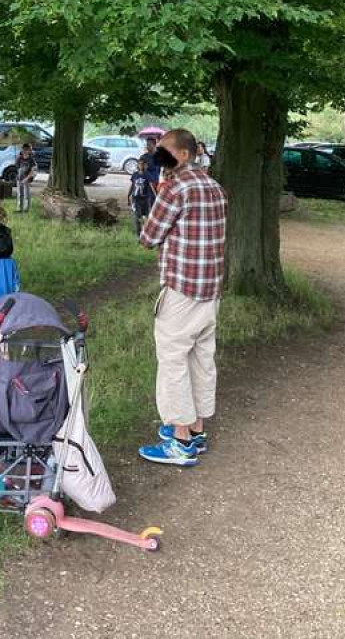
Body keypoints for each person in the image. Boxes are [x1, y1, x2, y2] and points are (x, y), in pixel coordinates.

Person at [137, 129, 228, 467]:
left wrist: (159, 192)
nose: (159, 157)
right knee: (201, 359)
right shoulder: (214, 186)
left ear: (184, 154)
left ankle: (180, 442)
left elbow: (148, 238)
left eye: (164, 152)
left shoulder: (175, 188)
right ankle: (196, 429)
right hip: (210, 291)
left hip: (182, 290)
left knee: (173, 360)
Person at [128, 156, 157, 236]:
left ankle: (148, 233)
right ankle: (138, 234)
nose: (141, 166)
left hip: (145, 199)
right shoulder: (134, 175)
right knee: (137, 217)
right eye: (139, 164)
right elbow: (132, 186)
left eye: (143, 164)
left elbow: (151, 186)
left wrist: (156, 196)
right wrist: (129, 195)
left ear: (146, 166)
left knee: (147, 216)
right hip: (136, 199)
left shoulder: (147, 175)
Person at [15, 143, 37, 212]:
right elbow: (18, 168)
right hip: (19, 179)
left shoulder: (31, 160)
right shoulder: (19, 158)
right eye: (24, 150)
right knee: (19, 194)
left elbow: (33, 171)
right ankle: (19, 208)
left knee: (26, 194)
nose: (25, 151)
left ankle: (26, 208)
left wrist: (26, 178)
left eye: (27, 150)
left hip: (27, 179)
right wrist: (19, 178)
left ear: (30, 151)